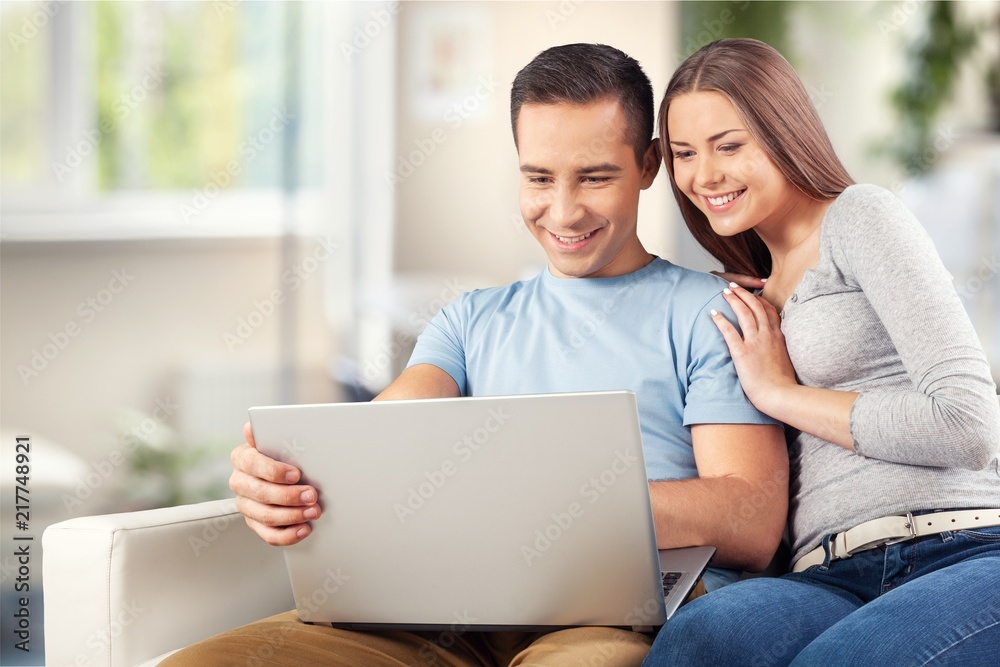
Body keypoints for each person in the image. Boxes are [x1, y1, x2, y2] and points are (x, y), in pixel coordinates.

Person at [163, 43, 788, 667]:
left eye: (595, 178)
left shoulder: (712, 312)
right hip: (438, 611)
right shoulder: (468, 322)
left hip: (611, 618)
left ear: (649, 164)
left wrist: (560, 501)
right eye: (539, 178)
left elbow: (752, 521)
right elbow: (376, 442)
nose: (564, 211)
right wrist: (280, 482)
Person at [644, 38, 1000, 667]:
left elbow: (970, 425)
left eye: (730, 145)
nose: (705, 175)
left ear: (783, 133)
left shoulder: (859, 217)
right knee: (699, 639)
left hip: (962, 546)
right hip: (828, 576)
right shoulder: (745, 292)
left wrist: (780, 395)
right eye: (684, 153)